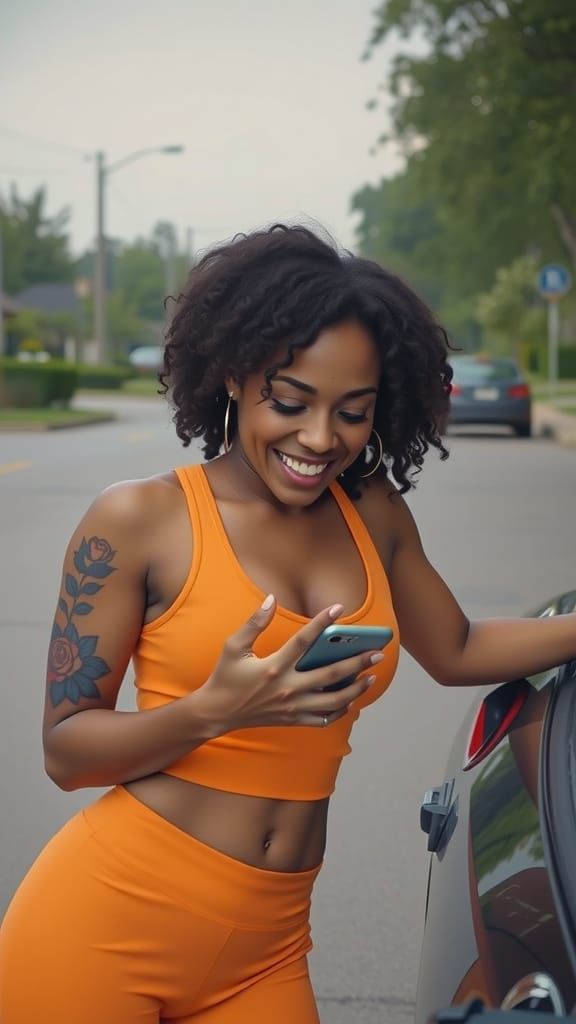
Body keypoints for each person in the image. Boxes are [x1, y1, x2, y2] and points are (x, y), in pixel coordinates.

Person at [0, 223, 574, 1024]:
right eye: (292, 402)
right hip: (107, 925)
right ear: (235, 376)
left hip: (265, 952)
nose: (318, 439)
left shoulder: (372, 510)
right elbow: (65, 750)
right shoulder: (140, 519)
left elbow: (459, 646)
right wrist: (218, 709)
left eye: (352, 412)